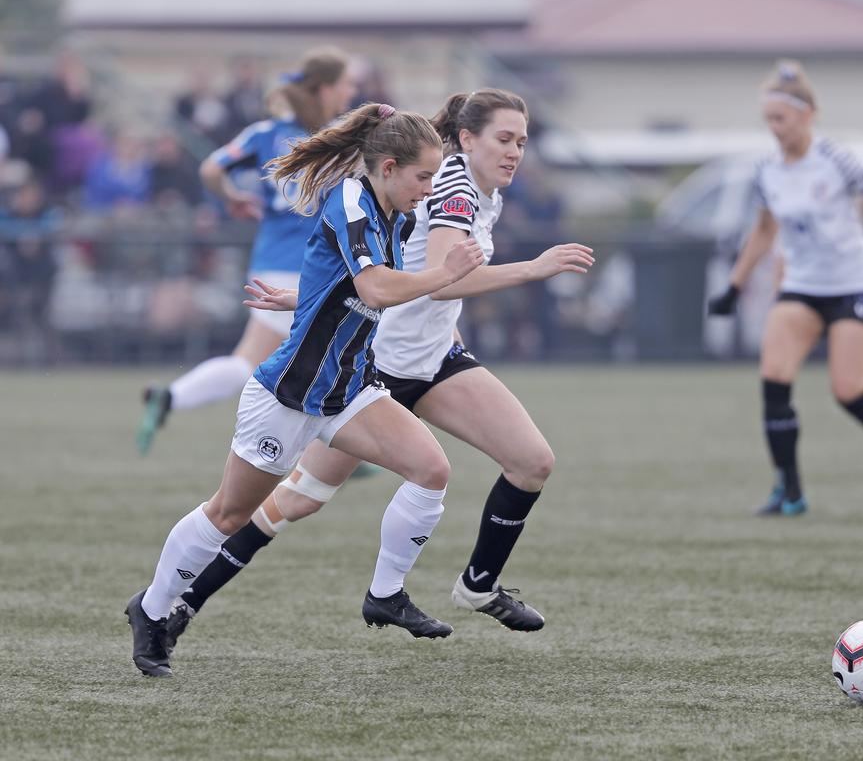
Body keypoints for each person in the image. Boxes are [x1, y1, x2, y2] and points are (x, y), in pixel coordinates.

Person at [159, 89, 594, 649]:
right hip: (377, 370)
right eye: (504, 140)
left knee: (531, 461)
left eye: (522, 143)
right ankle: (180, 604)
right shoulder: (454, 188)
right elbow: (444, 279)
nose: (515, 153)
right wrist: (533, 269)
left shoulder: (479, 189)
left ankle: (478, 586)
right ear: (466, 139)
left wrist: (306, 298)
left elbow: (398, 268)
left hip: (433, 361)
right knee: (295, 500)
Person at [125, 101, 486, 677]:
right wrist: (448, 273)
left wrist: (301, 298)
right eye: (424, 175)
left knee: (431, 470)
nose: (431, 187)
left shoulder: (397, 208)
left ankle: (386, 595)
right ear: (388, 167)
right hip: (290, 395)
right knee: (228, 514)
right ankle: (150, 608)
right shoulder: (351, 200)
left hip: (349, 392)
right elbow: (373, 288)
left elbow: (342, 281)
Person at [706, 60, 863, 516]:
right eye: (768, 120)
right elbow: (764, 231)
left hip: (855, 284)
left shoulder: (836, 160)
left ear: (806, 114)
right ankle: (791, 491)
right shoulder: (768, 171)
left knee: (847, 390)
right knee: (774, 382)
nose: (774, 128)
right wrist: (734, 285)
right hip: (803, 285)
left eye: (780, 118)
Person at [136, 47, 357, 454]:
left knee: (299, 361)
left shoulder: (265, 133)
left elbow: (211, 169)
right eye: (346, 84)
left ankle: (334, 451)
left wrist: (233, 197)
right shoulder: (338, 142)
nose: (351, 92)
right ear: (325, 88)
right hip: (313, 268)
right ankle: (171, 398)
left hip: (269, 261)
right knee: (278, 362)